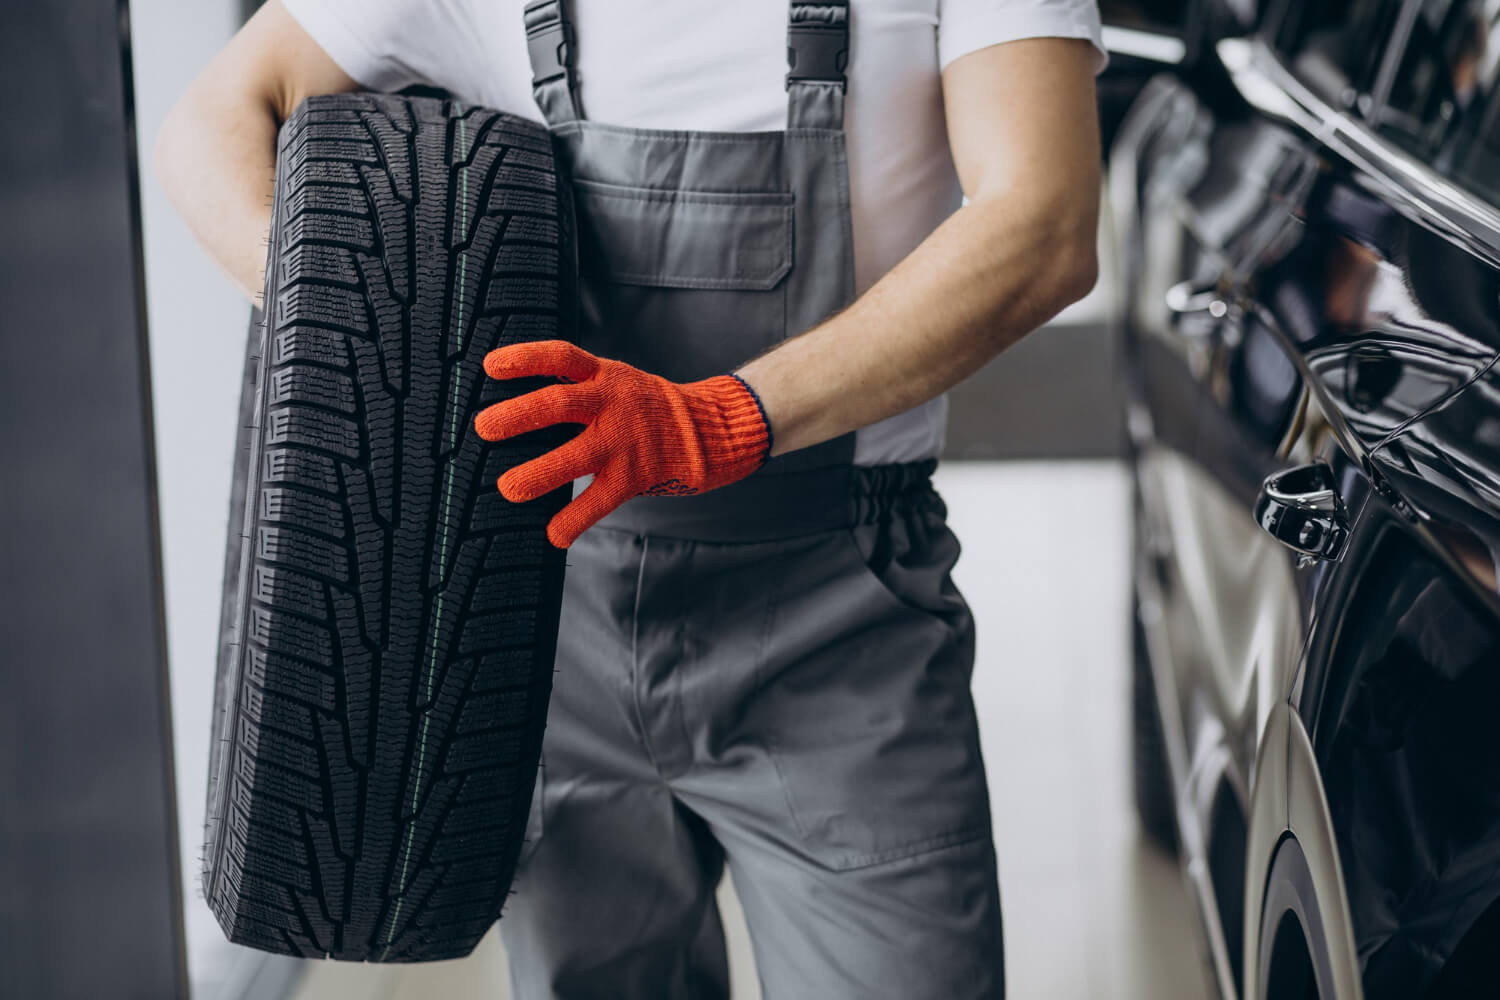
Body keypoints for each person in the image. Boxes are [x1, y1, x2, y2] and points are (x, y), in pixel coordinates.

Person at [157, 1, 1104, 996]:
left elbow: (1043, 222)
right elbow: (214, 123)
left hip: (841, 620)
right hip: (548, 629)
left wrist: (727, 416)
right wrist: (353, 324)